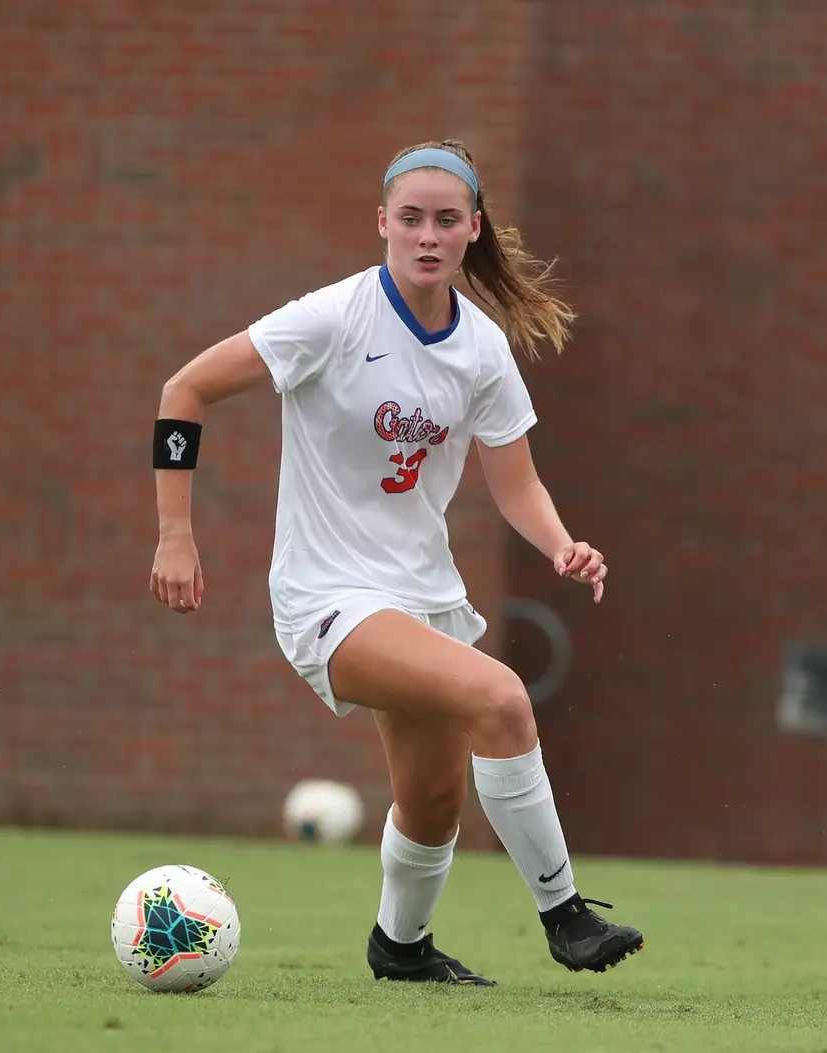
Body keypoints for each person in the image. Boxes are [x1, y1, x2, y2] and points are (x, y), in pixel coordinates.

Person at [147, 139, 644, 985]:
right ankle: (565, 915)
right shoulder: (330, 319)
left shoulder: (482, 347)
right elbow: (182, 391)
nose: (426, 235)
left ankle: (400, 949)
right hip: (327, 600)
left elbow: (515, 483)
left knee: (433, 799)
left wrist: (561, 544)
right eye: (409, 218)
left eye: (445, 220)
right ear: (382, 222)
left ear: (471, 231)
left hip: (424, 598)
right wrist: (174, 533)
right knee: (501, 697)